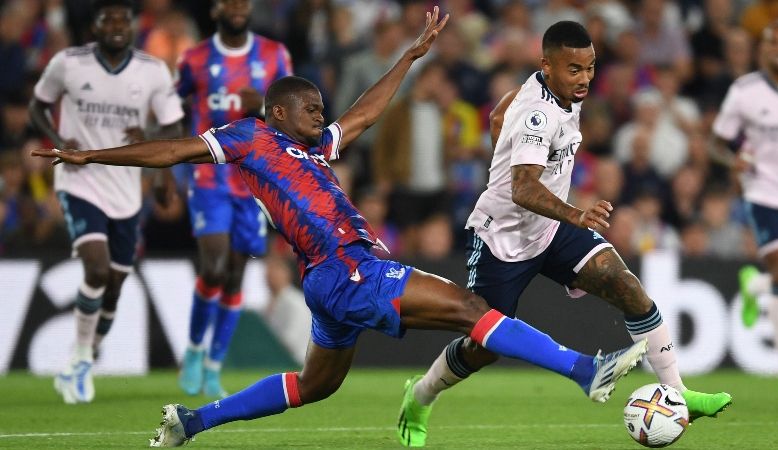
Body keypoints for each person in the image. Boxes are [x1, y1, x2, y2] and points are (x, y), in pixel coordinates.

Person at [33, 9, 648, 447]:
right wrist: (92, 155)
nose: (321, 116)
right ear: (278, 112)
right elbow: (171, 150)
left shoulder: (312, 148)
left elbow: (363, 115)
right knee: (468, 309)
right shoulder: (251, 138)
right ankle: (582, 370)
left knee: (314, 386)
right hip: (351, 265)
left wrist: (407, 57)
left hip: (331, 278)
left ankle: (192, 423)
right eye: (310, 109)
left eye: (320, 110)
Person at [396, 21, 733, 447]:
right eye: (574, 69)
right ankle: (421, 394)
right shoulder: (538, 114)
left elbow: (500, 113)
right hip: (503, 238)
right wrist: (574, 212)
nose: (585, 79)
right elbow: (522, 188)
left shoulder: (548, 89)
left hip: (551, 229)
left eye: (590, 68)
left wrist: (503, 143)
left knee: (623, 284)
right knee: (483, 344)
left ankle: (680, 395)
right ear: (547, 66)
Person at [28, 0, 184, 404]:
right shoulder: (68, 63)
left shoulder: (151, 70)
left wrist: (163, 172)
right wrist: (60, 141)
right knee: (96, 268)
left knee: (114, 283)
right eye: (107, 19)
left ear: (132, 27)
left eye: (123, 20)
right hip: (79, 180)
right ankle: (79, 361)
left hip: (126, 188)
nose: (116, 25)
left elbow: (172, 124)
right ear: (94, 27)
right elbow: (37, 105)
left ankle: (90, 346)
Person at [174, 0, 293, 398]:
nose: (239, 6)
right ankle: (193, 350)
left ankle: (212, 366)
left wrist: (259, 108)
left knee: (235, 275)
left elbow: (288, 116)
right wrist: (175, 159)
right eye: (231, 1)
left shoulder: (275, 56)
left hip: (253, 180)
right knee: (214, 265)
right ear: (215, 9)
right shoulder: (193, 59)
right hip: (210, 176)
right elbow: (176, 106)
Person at [712, 20, 778, 392]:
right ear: (762, 50)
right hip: (765, 192)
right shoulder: (745, 91)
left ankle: (754, 288)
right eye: (773, 41)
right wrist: (732, 161)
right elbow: (716, 144)